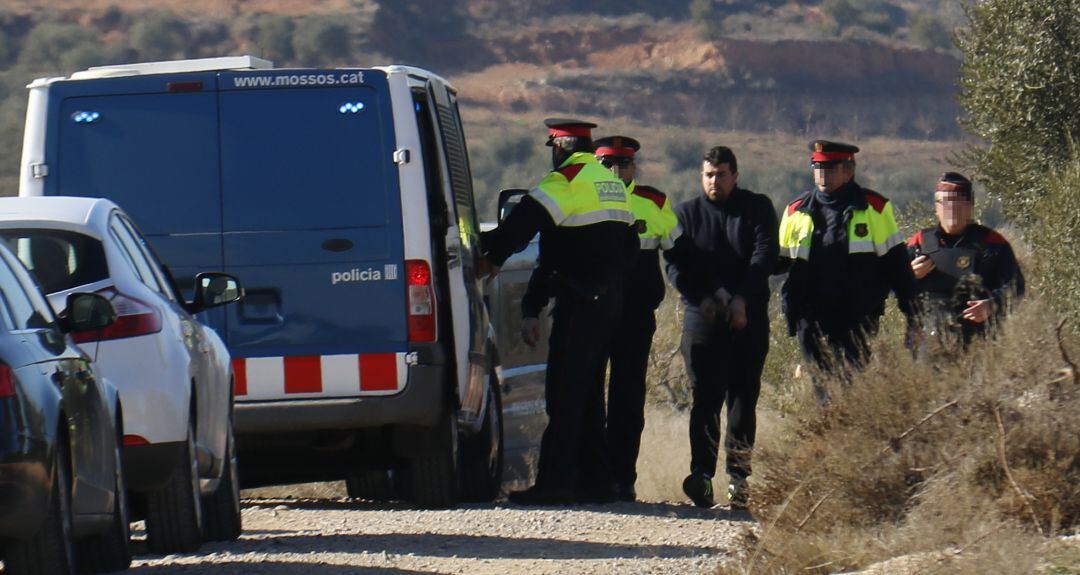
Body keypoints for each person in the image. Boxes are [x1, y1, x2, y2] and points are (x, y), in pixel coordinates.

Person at [479, 118, 638, 505]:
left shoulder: (564, 182)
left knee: (564, 394)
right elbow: (629, 246)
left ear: (560, 146)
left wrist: (484, 251)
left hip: (581, 303)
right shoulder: (610, 183)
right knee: (586, 395)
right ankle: (597, 483)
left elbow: (518, 229)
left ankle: (555, 484)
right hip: (610, 302)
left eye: (553, 146)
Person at [521, 136, 687, 502]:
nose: (616, 170)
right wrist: (532, 306)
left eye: (623, 164)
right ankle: (590, 478)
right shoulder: (583, 194)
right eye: (608, 163)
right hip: (592, 311)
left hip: (633, 317)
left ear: (634, 167)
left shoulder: (653, 201)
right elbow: (549, 258)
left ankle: (621, 478)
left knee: (627, 399)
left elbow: (681, 257)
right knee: (585, 395)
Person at [665, 146, 778, 509]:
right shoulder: (686, 214)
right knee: (706, 399)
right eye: (709, 175)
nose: (715, 181)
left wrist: (743, 298)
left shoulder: (757, 207)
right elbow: (676, 265)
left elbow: (764, 255)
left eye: (722, 174)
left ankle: (739, 478)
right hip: (705, 318)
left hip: (750, 317)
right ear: (702, 176)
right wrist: (706, 298)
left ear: (736, 175)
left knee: (743, 398)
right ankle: (701, 475)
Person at [776, 141, 917, 390]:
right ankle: (828, 426)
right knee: (821, 385)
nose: (822, 174)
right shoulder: (795, 211)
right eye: (817, 166)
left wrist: (913, 313)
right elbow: (778, 263)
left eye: (830, 167)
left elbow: (897, 265)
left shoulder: (874, 208)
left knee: (850, 383)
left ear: (849, 170)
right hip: (811, 316)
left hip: (856, 314)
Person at [907, 172, 1024, 352]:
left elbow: (1016, 286)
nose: (951, 208)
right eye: (944, 202)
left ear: (970, 206)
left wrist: (992, 304)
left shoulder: (993, 243)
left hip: (981, 341)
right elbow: (887, 286)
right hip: (927, 342)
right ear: (936, 208)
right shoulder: (918, 242)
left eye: (958, 202)